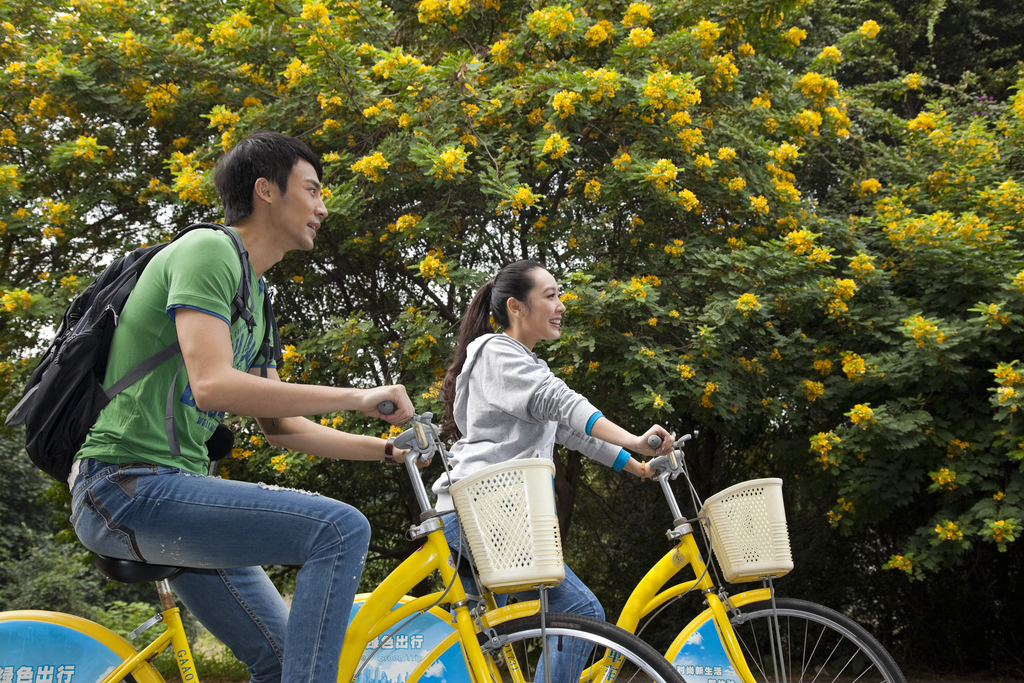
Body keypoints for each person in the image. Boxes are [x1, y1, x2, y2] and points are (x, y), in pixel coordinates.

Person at [69, 130, 415, 683]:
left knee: (280, 663)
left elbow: (280, 427)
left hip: (170, 488)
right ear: (266, 191)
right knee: (340, 529)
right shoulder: (208, 249)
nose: (323, 208)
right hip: (123, 484)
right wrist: (355, 397)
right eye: (313, 190)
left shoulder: (257, 297)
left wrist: (391, 451)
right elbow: (213, 384)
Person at [431, 259, 674, 682]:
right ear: (517, 307)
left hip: (487, 516)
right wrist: (634, 439)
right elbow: (563, 403)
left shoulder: (522, 363)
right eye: (551, 295)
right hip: (478, 515)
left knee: (506, 642)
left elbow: (569, 431)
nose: (561, 305)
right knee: (578, 611)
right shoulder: (497, 353)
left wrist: (634, 464)